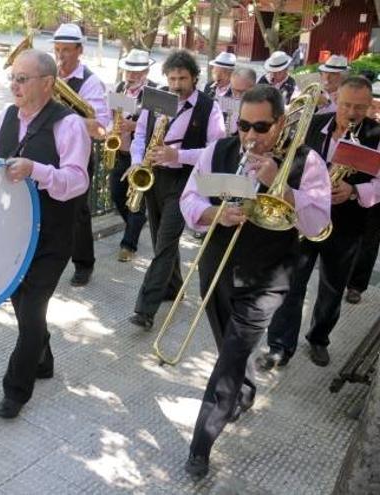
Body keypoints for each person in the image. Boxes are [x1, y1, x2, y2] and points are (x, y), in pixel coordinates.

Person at [180, 85, 331, 480]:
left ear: (281, 123)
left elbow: (317, 225)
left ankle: (201, 443)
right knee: (229, 347)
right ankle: (244, 391)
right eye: (244, 124)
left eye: (261, 126)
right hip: (218, 267)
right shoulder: (219, 151)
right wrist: (215, 215)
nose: (250, 135)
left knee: (229, 358)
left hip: (268, 277)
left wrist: (282, 183)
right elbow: (190, 198)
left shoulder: (308, 160)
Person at [0, 48, 90, 418]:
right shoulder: (6, 116)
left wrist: (37, 170)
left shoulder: (69, 124)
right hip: (13, 231)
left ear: (47, 83)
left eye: (22, 79)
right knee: (22, 304)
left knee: (30, 310)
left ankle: (15, 391)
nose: (14, 85)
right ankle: (43, 360)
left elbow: (77, 181)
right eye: (12, 77)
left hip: (53, 236)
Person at [261, 76, 380, 370]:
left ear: (370, 106)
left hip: (347, 223)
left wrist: (354, 191)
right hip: (303, 216)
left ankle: (318, 338)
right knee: (291, 284)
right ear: (335, 99)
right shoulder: (312, 125)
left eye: (360, 107)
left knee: (332, 287)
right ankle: (279, 345)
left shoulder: (377, 135)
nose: (352, 113)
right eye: (346, 105)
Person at [127, 50, 227, 331]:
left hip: (185, 180)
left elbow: (215, 151)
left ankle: (145, 309)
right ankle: (174, 287)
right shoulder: (156, 98)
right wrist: (137, 163)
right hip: (154, 176)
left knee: (166, 241)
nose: (176, 84)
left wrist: (178, 155)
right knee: (161, 237)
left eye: (182, 78)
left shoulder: (210, 107)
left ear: (194, 77)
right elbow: (140, 137)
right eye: (172, 77)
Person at [52, 23, 111, 286]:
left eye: (66, 50)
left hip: (77, 155)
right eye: (57, 50)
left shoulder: (91, 82)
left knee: (77, 212)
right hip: (49, 151)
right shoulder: (49, 74)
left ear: (79, 50)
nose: (60, 56)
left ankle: (83, 264)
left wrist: (64, 117)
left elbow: (100, 126)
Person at [109, 49, 157, 262]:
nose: (132, 76)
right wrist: (114, 128)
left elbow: (159, 125)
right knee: (116, 193)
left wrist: (134, 125)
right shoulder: (120, 88)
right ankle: (134, 224)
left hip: (142, 154)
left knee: (137, 200)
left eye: (137, 72)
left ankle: (128, 245)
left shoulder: (155, 92)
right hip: (121, 151)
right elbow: (111, 114)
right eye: (129, 71)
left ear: (146, 71)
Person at [347, 79, 380, 304]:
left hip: (374, 196)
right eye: (375, 106)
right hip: (345, 193)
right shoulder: (357, 124)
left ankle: (356, 285)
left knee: (369, 240)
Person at [222, 67, 258, 134]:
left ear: (253, 87)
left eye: (242, 92)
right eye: (234, 90)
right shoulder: (222, 99)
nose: (237, 96)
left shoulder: (260, 107)